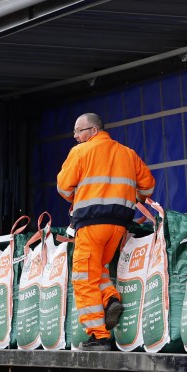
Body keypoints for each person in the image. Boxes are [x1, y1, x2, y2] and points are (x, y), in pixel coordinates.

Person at [57, 113, 155, 351]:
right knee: (98, 268)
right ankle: (110, 298)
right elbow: (148, 187)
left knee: (83, 278)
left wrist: (79, 197)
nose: (75, 137)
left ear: (92, 130)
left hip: (91, 225)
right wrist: (128, 198)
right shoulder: (128, 153)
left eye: (78, 131)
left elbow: (63, 187)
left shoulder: (79, 153)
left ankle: (98, 336)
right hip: (118, 227)